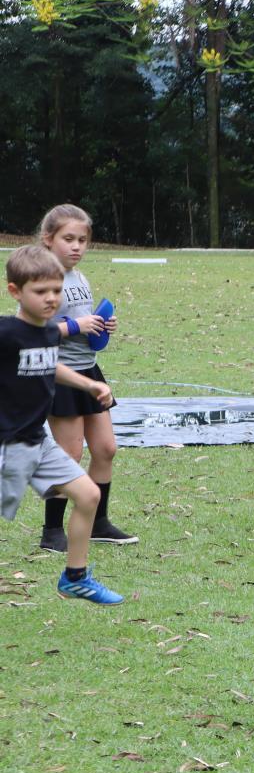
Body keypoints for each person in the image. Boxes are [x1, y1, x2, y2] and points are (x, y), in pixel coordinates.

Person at [1, 246, 123, 604]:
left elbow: (47, 364)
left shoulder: (48, 333)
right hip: (6, 446)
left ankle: (75, 577)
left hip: (36, 442)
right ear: (15, 292)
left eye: (56, 291)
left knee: (88, 495)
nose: (51, 299)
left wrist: (88, 384)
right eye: (41, 292)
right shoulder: (7, 333)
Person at [37, 204, 135, 552]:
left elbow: (82, 323)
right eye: (68, 239)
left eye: (82, 240)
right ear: (48, 240)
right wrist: (76, 326)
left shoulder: (80, 278)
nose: (76, 246)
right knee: (69, 453)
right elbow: (33, 332)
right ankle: (51, 531)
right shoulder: (42, 278)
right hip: (59, 375)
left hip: (89, 370)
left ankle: (98, 523)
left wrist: (101, 327)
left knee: (106, 448)